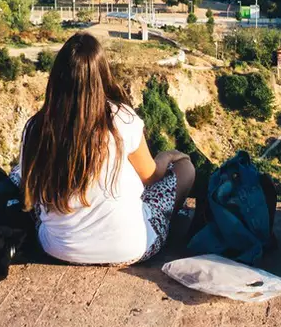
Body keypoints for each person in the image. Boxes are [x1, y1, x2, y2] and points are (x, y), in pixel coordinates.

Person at [16, 32, 195, 266]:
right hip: (130, 248)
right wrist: (169, 156)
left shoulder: (37, 126)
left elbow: (27, 184)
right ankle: (171, 223)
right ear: (102, 75)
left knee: (15, 174)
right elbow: (151, 175)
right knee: (186, 169)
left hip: (57, 248)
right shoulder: (122, 118)